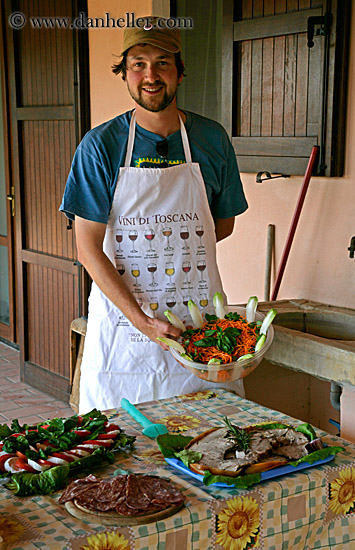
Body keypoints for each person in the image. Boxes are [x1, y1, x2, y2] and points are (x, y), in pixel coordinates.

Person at [60, 17, 248, 413]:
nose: (151, 75)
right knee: (122, 452)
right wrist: (143, 319)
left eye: (163, 63)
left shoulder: (211, 139)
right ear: (125, 75)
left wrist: (175, 253)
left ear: (180, 72)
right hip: (125, 334)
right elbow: (87, 247)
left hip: (199, 330)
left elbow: (221, 225)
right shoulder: (100, 146)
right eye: (138, 64)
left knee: (215, 443)